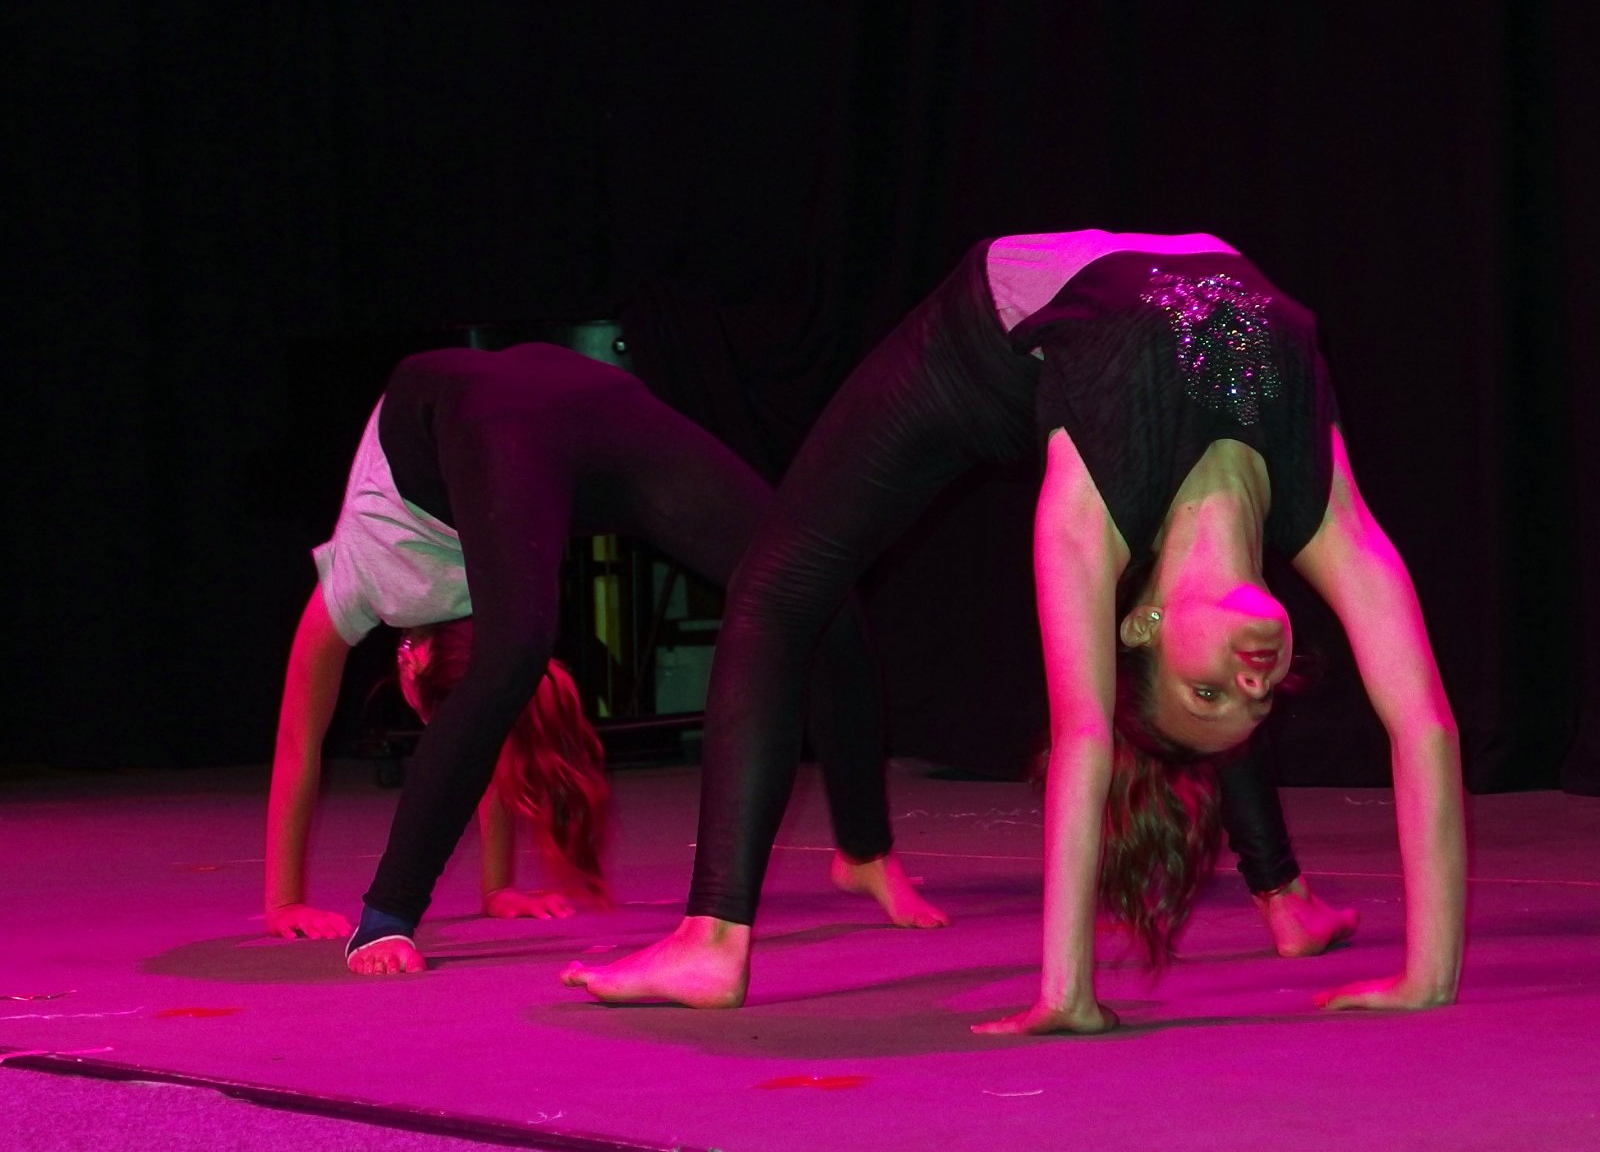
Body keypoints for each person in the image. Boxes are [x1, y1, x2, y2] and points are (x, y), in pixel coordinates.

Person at [562, 232, 1406, 1013]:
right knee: (1203, 634)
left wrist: (1065, 996)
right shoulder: (1274, 430)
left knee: (777, 589)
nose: (1258, 679)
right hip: (1048, 366)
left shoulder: (1243, 421)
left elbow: (1111, 717)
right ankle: (1283, 894)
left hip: (1011, 358)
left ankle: (713, 937)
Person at [266, 342, 945, 976]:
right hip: (577, 396)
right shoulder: (486, 581)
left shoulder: (359, 582)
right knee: (812, 585)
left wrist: (286, 901)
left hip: (480, 413)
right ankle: (864, 850)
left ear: (411, 661)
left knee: (516, 657)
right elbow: (485, 727)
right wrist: (497, 889)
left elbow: (303, 740)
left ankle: (387, 914)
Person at [266, 620, 609, 943]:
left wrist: (498, 888)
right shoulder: (349, 592)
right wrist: (285, 904)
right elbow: (297, 739)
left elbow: (488, 738)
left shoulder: (506, 615)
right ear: (409, 664)